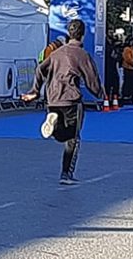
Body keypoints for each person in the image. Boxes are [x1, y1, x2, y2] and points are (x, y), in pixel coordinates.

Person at [22, 19, 103, 185]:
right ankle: (66, 174)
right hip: (71, 98)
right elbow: (91, 77)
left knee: (59, 134)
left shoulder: (56, 53)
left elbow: (39, 68)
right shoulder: (82, 54)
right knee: (73, 138)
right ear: (83, 34)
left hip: (52, 98)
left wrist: (35, 91)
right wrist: (99, 92)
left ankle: (53, 119)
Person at [104, 36, 122, 102]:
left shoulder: (113, 46)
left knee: (115, 83)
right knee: (109, 84)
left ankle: (114, 99)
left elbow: (118, 57)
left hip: (113, 67)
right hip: (108, 67)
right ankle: (108, 99)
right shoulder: (108, 47)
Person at [121, 37, 133, 105]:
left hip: (132, 68)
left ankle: (130, 96)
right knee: (127, 82)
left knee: (132, 83)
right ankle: (126, 96)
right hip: (127, 68)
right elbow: (127, 58)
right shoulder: (127, 49)